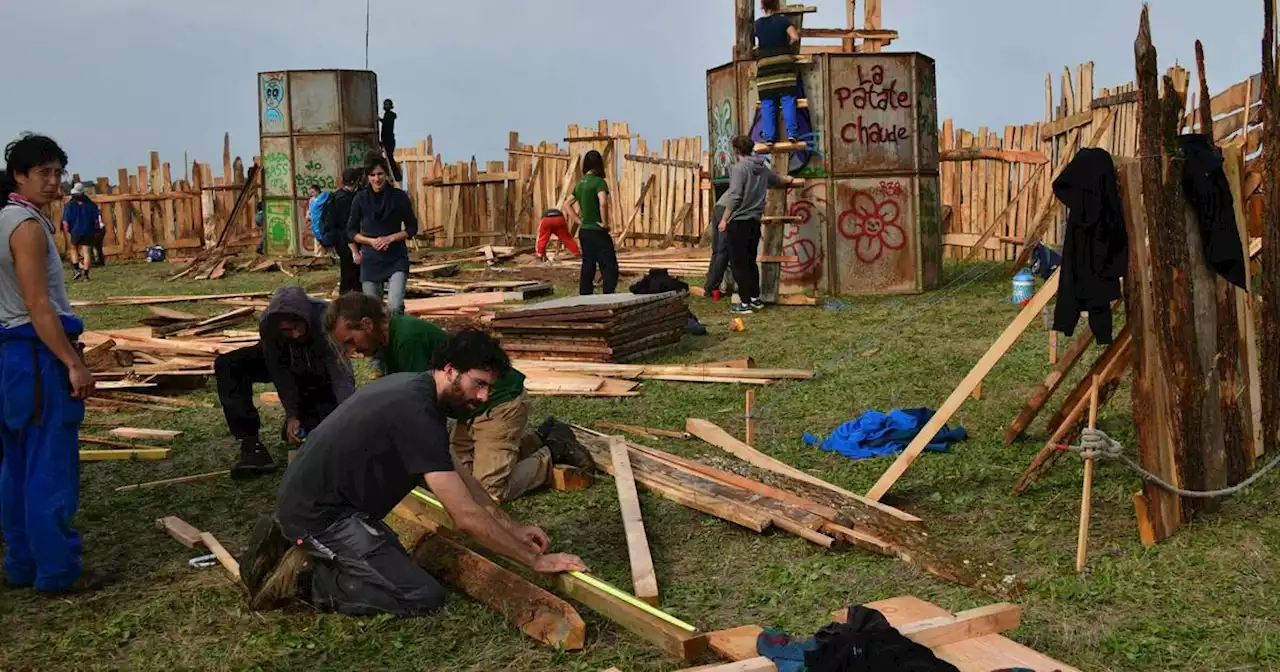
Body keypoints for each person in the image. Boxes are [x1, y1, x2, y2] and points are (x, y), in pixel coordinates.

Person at [240, 329, 589, 617]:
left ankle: (313, 549)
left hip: (338, 508)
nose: (483, 396)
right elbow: (464, 517)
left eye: (488, 389)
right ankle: (307, 581)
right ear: (450, 370)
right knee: (420, 596)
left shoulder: (417, 392)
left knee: (394, 565)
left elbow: (465, 484)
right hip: (321, 518)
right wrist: (535, 561)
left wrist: (513, 529)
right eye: (478, 383)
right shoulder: (417, 413)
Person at [324, 292, 593, 503]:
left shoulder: (406, 339)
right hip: (470, 408)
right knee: (464, 483)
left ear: (367, 324)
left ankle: (551, 453)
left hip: (498, 401)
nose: (351, 351)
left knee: (487, 493)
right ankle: (541, 437)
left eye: (350, 341)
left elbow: (420, 408)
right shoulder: (389, 342)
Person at [0, 133, 108, 595]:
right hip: (37, 353)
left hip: (12, 354)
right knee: (48, 466)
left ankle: (22, 562)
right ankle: (58, 569)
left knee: (17, 464)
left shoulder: (7, 218)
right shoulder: (25, 225)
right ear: (19, 176)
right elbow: (38, 304)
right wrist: (72, 363)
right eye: (43, 172)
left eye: (57, 172)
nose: (53, 181)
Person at [214, 286, 355, 478]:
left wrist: (348, 417)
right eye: (288, 330)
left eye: (298, 327)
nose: (295, 335)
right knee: (228, 364)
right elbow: (278, 370)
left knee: (320, 433)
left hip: (318, 374)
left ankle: (314, 419)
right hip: (290, 363)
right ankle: (251, 446)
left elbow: (340, 374)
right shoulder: (269, 324)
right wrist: (292, 415)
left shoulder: (326, 318)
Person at [719, 135, 803, 314]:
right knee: (750, 261)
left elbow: (734, 196)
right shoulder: (761, 167)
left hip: (739, 222)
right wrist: (787, 180)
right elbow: (775, 180)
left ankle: (744, 303)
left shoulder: (739, 168)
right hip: (754, 222)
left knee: (739, 264)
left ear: (736, 150)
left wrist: (724, 219)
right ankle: (756, 299)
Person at [348, 156, 416, 316]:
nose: (376, 179)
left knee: (394, 306)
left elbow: (412, 228)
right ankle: (379, 340)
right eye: (372, 175)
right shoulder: (360, 199)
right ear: (367, 176)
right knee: (373, 312)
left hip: (396, 258)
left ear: (386, 174)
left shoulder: (399, 197)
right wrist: (371, 241)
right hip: (371, 260)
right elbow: (350, 231)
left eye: (380, 174)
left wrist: (390, 238)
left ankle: (398, 337)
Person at [564, 150, 618, 295]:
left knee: (588, 265)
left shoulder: (580, 184)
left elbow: (567, 205)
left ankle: (585, 296)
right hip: (597, 230)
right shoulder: (599, 182)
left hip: (584, 232)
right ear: (599, 164)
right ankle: (608, 296)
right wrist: (605, 223)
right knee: (609, 266)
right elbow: (603, 203)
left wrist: (579, 221)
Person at [756, 0, 801, 144]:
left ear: (762, 6)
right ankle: (792, 134)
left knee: (767, 101)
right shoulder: (783, 21)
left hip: (765, 66)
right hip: (783, 64)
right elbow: (795, 37)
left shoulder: (758, 24)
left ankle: (769, 137)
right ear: (777, 5)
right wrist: (786, 46)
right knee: (788, 99)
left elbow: (751, 46)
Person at [323, 167, 362, 294]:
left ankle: (347, 299)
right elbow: (347, 225)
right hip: (348, 240)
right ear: (356, 181)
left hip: (340, 240)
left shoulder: (337, 196)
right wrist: (354, 250)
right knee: (352, 274)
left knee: (347, 271)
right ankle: (349, 300)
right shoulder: (347, 199)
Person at [60, 183, 101, 281]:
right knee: (86, 252)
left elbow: (66, 221)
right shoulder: (91, 205)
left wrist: (67, 230)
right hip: (88, 231)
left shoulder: (70, 205)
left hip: (75, 231)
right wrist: (96, 230)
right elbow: (96, 220)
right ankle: (86, 274)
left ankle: (77, 270)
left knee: (73, 249)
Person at [380, 98, 402, 183]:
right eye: (385, 104)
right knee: (389, 158)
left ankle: (396, 176)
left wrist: (379, 119)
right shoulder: (388, 115)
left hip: (388, 140)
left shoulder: (390, 115)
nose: (385, 106)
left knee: (390, 158)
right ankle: (395, 176)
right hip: (388, 139)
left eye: (387, 104)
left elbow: (387, 126)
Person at [305, 184, 330, 257]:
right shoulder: (312, 200)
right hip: (316, 224)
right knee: (318, 242)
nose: (311, 194)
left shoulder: (325, 198)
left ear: (317, 191)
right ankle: (319, 256)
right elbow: (310, 210)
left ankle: (326, 257)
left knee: (325, 242)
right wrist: (308, 216)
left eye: (313, 192)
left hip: (323, 224)